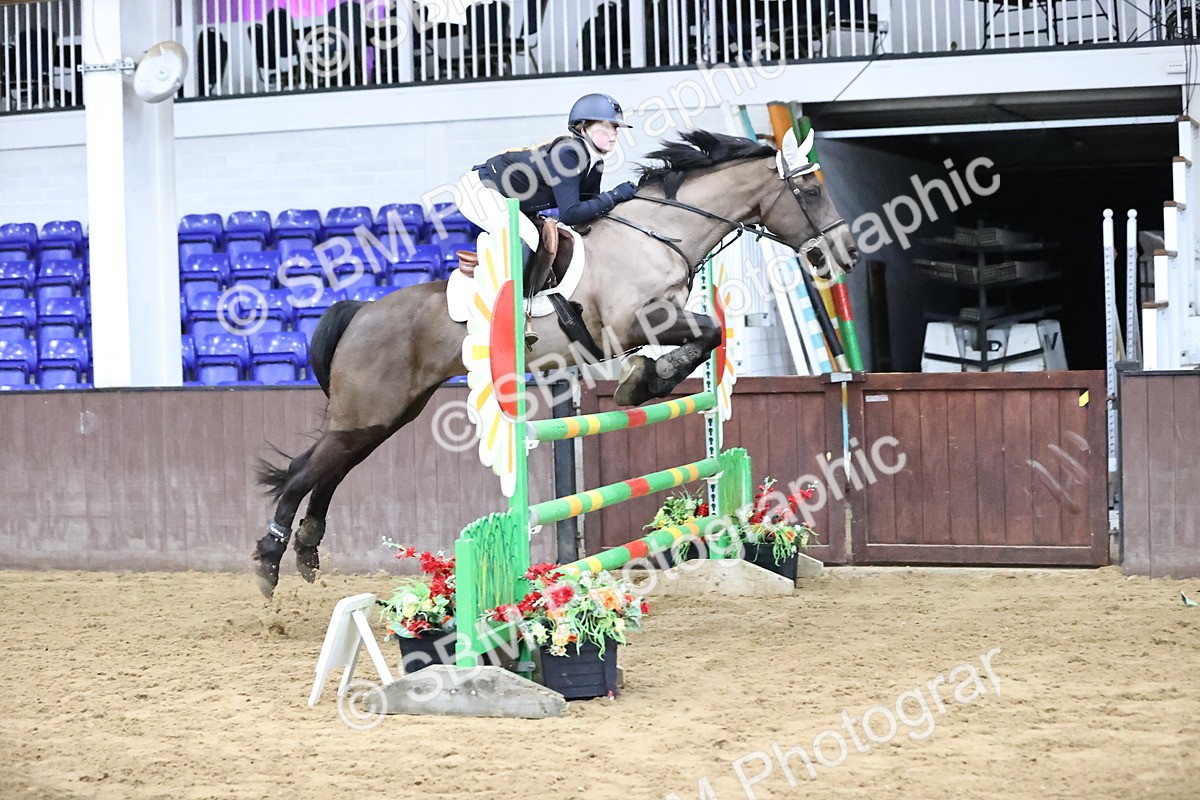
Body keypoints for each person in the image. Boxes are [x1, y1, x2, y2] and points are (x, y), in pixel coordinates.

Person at [450, 92, 638, 345]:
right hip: (479, 189)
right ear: (582, 128)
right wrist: (615, 196)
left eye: (616, 127)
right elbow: (571, 213)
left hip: (513, 200)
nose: (615, 133)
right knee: (527, 235)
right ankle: (513, 311)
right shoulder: (569, 153)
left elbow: (588, 211)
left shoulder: (595, 161)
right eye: (607, 126)